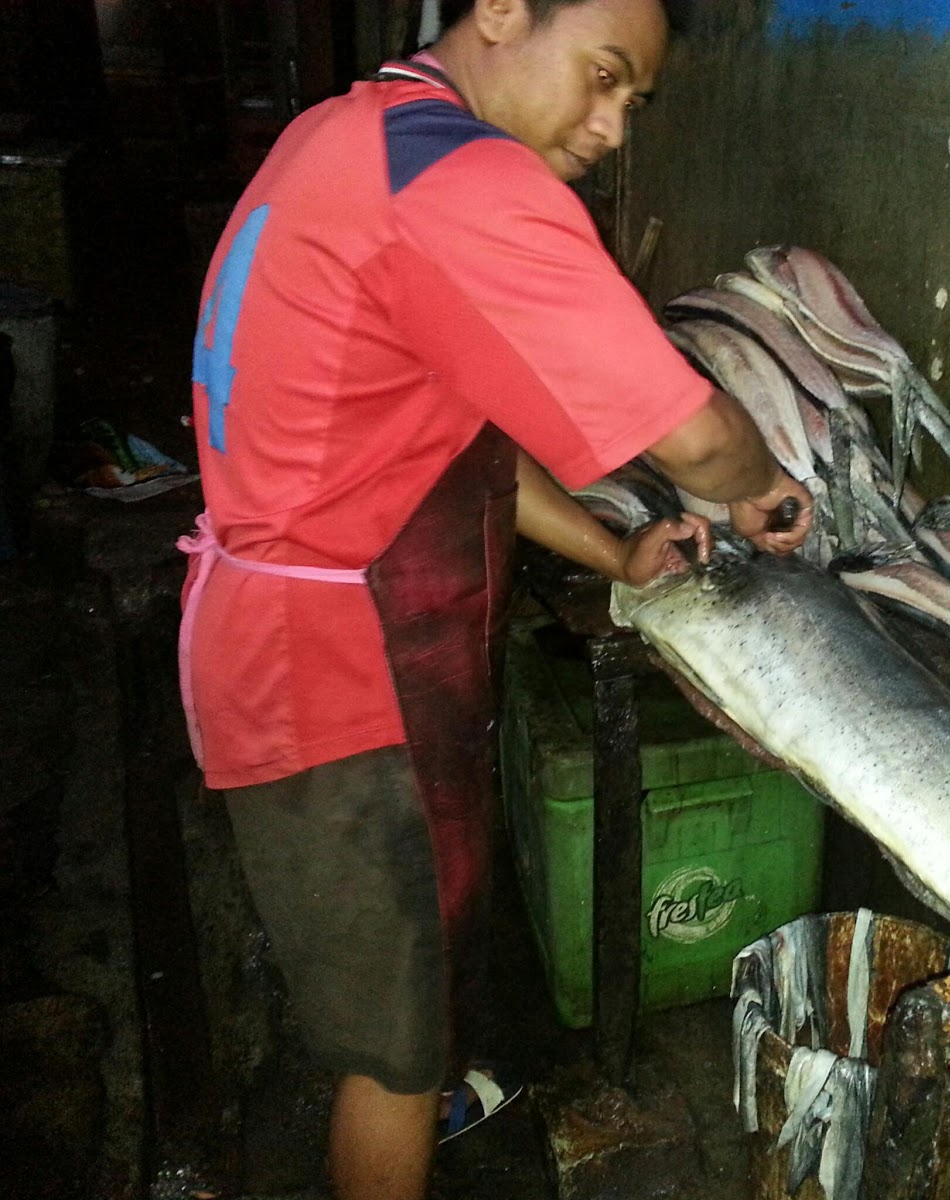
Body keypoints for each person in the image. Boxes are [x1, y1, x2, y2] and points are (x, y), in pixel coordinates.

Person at [177, 0, 813, 1196]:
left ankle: (426, 1094)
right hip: (336, 675)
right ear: (505, 10)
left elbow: (441, 434)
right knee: (391, 1050)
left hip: (302, 643)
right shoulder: (458, 179)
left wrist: (616, 553)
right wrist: (761, 488)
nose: (613, 126)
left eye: (634, 100)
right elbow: (689, 431)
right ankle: (403, 1117)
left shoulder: (346, 135)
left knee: (411, 961)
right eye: (604, 77)